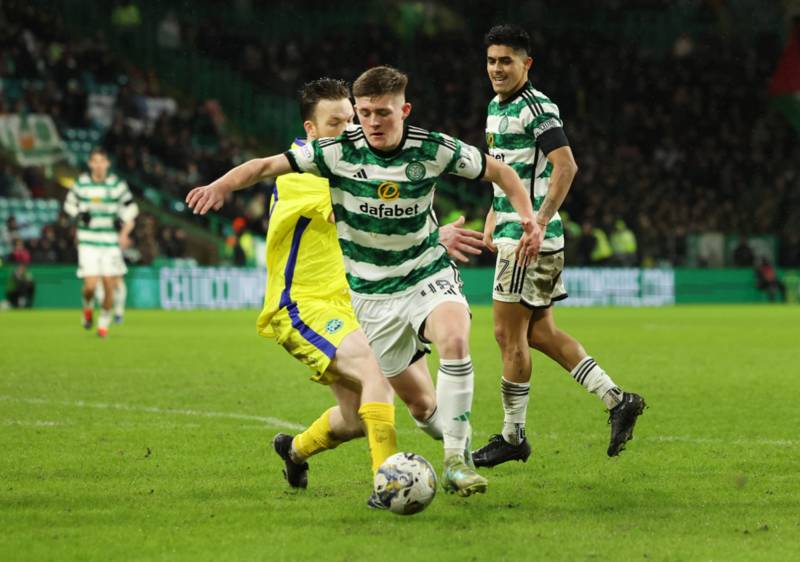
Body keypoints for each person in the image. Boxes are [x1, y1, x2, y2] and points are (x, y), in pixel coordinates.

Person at [187, 67, 542, 497]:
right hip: (305, 305)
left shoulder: (374, 151)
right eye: (337, 123)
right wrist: (221, 186)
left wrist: (427, 234)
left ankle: (294, 451)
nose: (352, 129)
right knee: (377, 370)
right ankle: (388, 483)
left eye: (351, 120)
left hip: (357, 298)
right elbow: (365, 206)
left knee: (375, 414)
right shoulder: (305, 171)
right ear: (311, 129)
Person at [473, 25, 645, 468]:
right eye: (491, 60)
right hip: (518, 233)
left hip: (527, 241)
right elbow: (506, 170)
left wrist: (538, 220)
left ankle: (513, 437)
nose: (496, 68)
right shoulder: (495, 106)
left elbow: (565, 166)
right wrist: (493, 213)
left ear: (526, 64)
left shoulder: (536, 107)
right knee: (538, 333)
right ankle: (617, 399)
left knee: (507, 336)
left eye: (506, 61)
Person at [63, 147, 138, 337]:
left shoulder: (117, 185)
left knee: (109, 285)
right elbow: (68, 204)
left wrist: (122, 219)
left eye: (101, 161)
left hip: (110, 242)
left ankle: (103, 325)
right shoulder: (81, 183)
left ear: (107, 163)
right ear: (90, 164)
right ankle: (87, 307)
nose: (98, 165)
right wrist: (79, 214)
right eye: (95, 161)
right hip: (88, 241)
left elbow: (132, 207)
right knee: (90, 286)